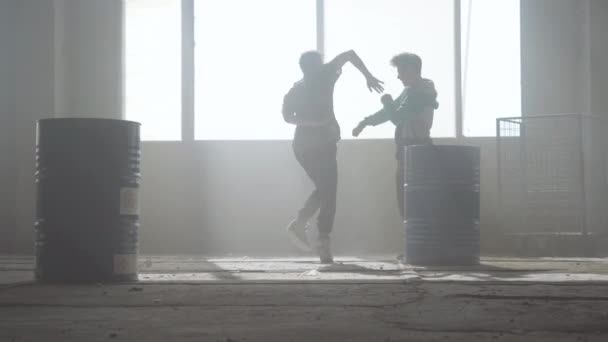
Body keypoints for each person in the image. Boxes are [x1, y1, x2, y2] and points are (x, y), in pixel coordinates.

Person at [282, 50, 383, 263]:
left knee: (325, 189)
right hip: (319, 145)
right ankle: (322, 238)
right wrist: (368, 76)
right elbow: (350, 54)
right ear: (317, 66)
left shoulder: (297, 87)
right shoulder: (322, 75)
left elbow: (287, 117)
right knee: (328, 191)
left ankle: (304, 225)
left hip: (302, 147)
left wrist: (309, 123)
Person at [352, 52, 438, 219]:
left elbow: (396, 116)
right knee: (404, 200)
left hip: (418, 150)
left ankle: (419, 237)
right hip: (405, 149)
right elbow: (390, 112)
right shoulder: (409, 91)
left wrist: (386, 100)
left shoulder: (421, 91)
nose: (398, 77)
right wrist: (366, 122)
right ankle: (412, 237)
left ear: (413, 70)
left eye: (401, 71)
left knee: (413, 201)